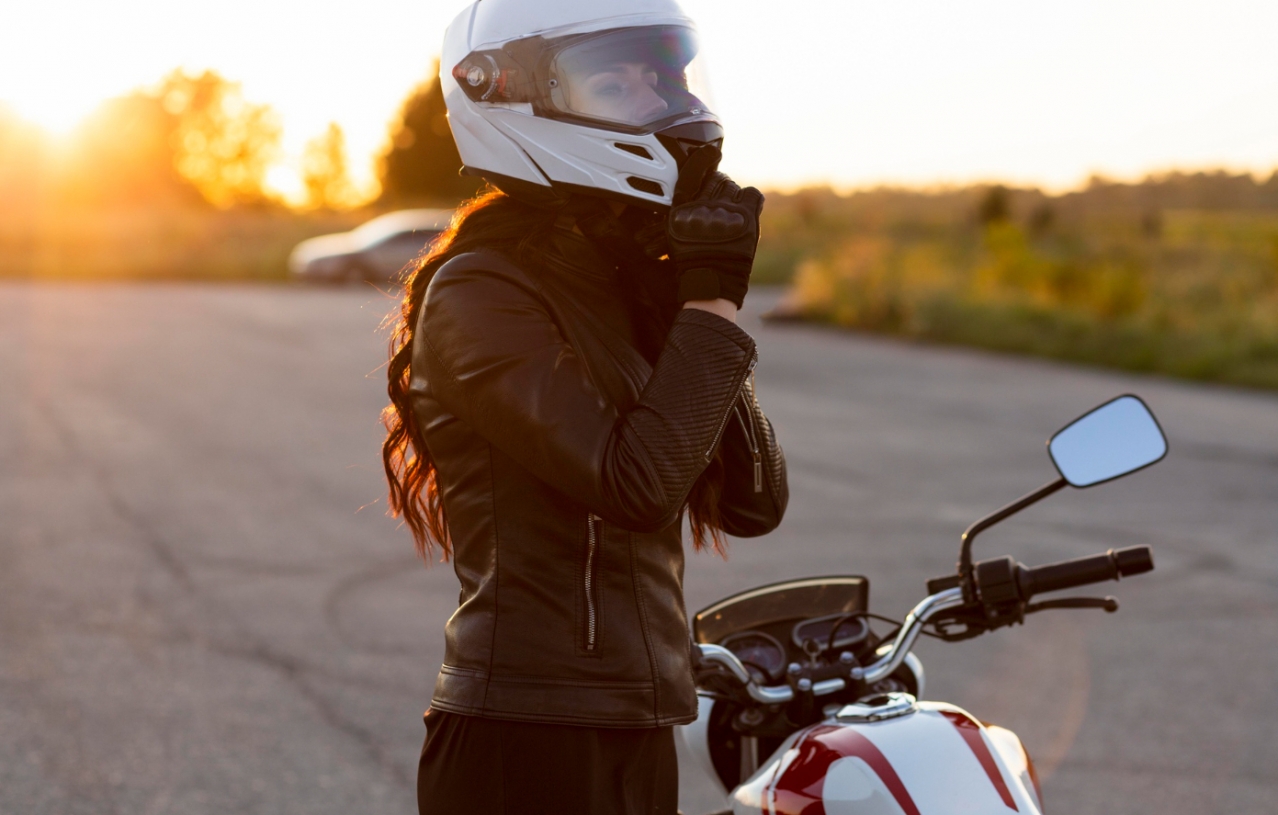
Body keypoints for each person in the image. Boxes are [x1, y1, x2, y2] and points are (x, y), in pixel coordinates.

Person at [380, 1, 789, 812]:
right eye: (614, 77)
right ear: (509, 95)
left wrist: (690, 294)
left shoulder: (622, 277)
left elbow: (754, 500)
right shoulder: (479, 290)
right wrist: (708, 312)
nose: (657, 97)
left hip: (638, 723)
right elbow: (636, 485)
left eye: (662, 71)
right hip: (527, 733)